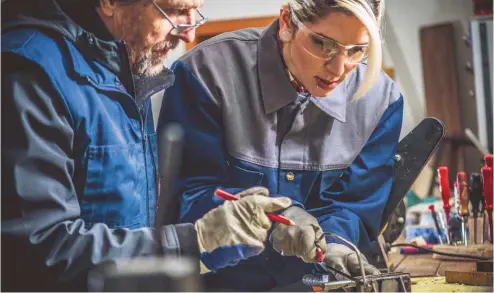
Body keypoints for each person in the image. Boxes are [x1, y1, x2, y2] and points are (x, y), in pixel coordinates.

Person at [1, 0, 293, 291]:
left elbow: (122, 215)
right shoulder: (30, 74)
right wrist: (195, 241)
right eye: (176, 11)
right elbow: (43, 248)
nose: (188, 35)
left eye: (195, 11)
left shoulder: (126, 64)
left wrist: (222, 219)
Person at [158, 0, 403, 290]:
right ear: (287, 21)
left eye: (356, 50)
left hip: (312, 283)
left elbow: (354, 205)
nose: (339, 68)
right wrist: (272, 219)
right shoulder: (206, 74)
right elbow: (187, 198)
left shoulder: (380, 102)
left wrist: (336, 243)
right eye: (323, 44)